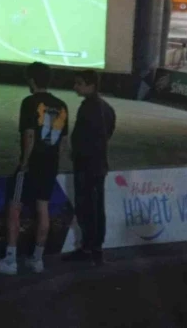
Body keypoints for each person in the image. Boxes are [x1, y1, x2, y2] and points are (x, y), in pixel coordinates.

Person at [0, 62, 68, 276]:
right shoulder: (62, 104)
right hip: (50, 165)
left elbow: (29, 135)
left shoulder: (29, 102)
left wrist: (24, 163)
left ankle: (10, 260)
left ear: (32, 80)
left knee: (14, 208)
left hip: (32, 164)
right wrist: (55, 163)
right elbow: (63, 142)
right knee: (43, 209)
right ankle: (37, 259)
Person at [62, 70, 116, 266]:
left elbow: (83, 138)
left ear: (90, 85)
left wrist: (77, 153)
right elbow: (108, 133)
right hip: (98, 165)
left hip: (87, 166)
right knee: (96, 207)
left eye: (79, 83)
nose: (75, 87)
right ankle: (94, 249)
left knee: (86, 208)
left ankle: (89, 250)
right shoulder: (106, 107)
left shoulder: (89, 108)